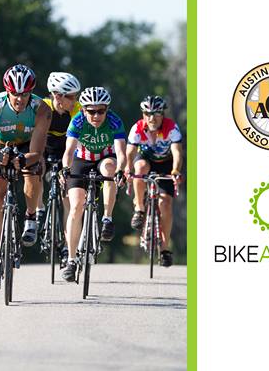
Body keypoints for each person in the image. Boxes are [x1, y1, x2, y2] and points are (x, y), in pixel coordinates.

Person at [0, 64, 51, 287]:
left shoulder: (42, 110)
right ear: (7, 91)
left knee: (32, 174)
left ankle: (31, 215)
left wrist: (23, 160)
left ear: (31, 92)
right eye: (15, 94)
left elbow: (37, 153)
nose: (20, 99)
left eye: (25, 94)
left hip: (28, 148)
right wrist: (1, 159)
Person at [59, 86, 127, 282]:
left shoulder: (114, 121)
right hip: (81, 160)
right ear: (83, 110)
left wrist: (121, 170)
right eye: (92, 111)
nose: (97, 115)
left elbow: (121, 153)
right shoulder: (77, 121)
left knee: (109, 170)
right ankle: (71, 260)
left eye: (101, 111)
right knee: (76, 206)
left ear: (107, 109)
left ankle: (106, 218)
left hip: (105, 159)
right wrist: (65, 168)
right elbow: (69, 151)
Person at [28, 72, 82, 265]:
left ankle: (69, 246)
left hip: (67, 151)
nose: (75, 100)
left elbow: (79, 142)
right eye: (71, 96)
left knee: (67, 197)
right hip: (44, 147)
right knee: (37, 168)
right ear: (58, 96)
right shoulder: (43, 106)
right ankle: (40, 207)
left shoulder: (77, 110)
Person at [125, 95, 183, 267]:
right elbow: (130, 153)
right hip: (146, 160)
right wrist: (128, 169)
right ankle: (139, 208)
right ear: (143, 114)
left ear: (162, 114)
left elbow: (178, 153)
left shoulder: (171, 128)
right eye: (148, 114)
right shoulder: (137, 128)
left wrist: (175, 171)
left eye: (156, 114)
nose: (152, 118)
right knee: (140, 168)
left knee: (165, 204)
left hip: (166, 164)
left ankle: (165, 249)